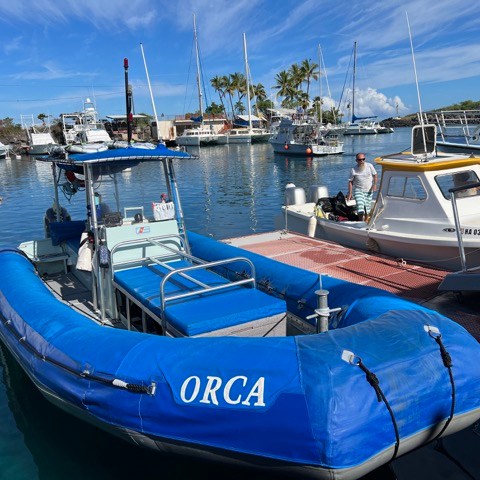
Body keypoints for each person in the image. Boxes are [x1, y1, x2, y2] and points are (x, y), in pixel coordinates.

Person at [347, 153, 378, 221]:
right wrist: (350, 193)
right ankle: (360, 221)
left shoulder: (370, 166)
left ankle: (366, 221)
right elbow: (350, 182)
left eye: (363, 159)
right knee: (360, 206)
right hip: (358, 190)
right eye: (360, 160)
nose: (362, 161)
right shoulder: (353, 169)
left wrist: (375, 184)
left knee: (367, 208)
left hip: (369, 191)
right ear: (356, 160)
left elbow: (375, 175)